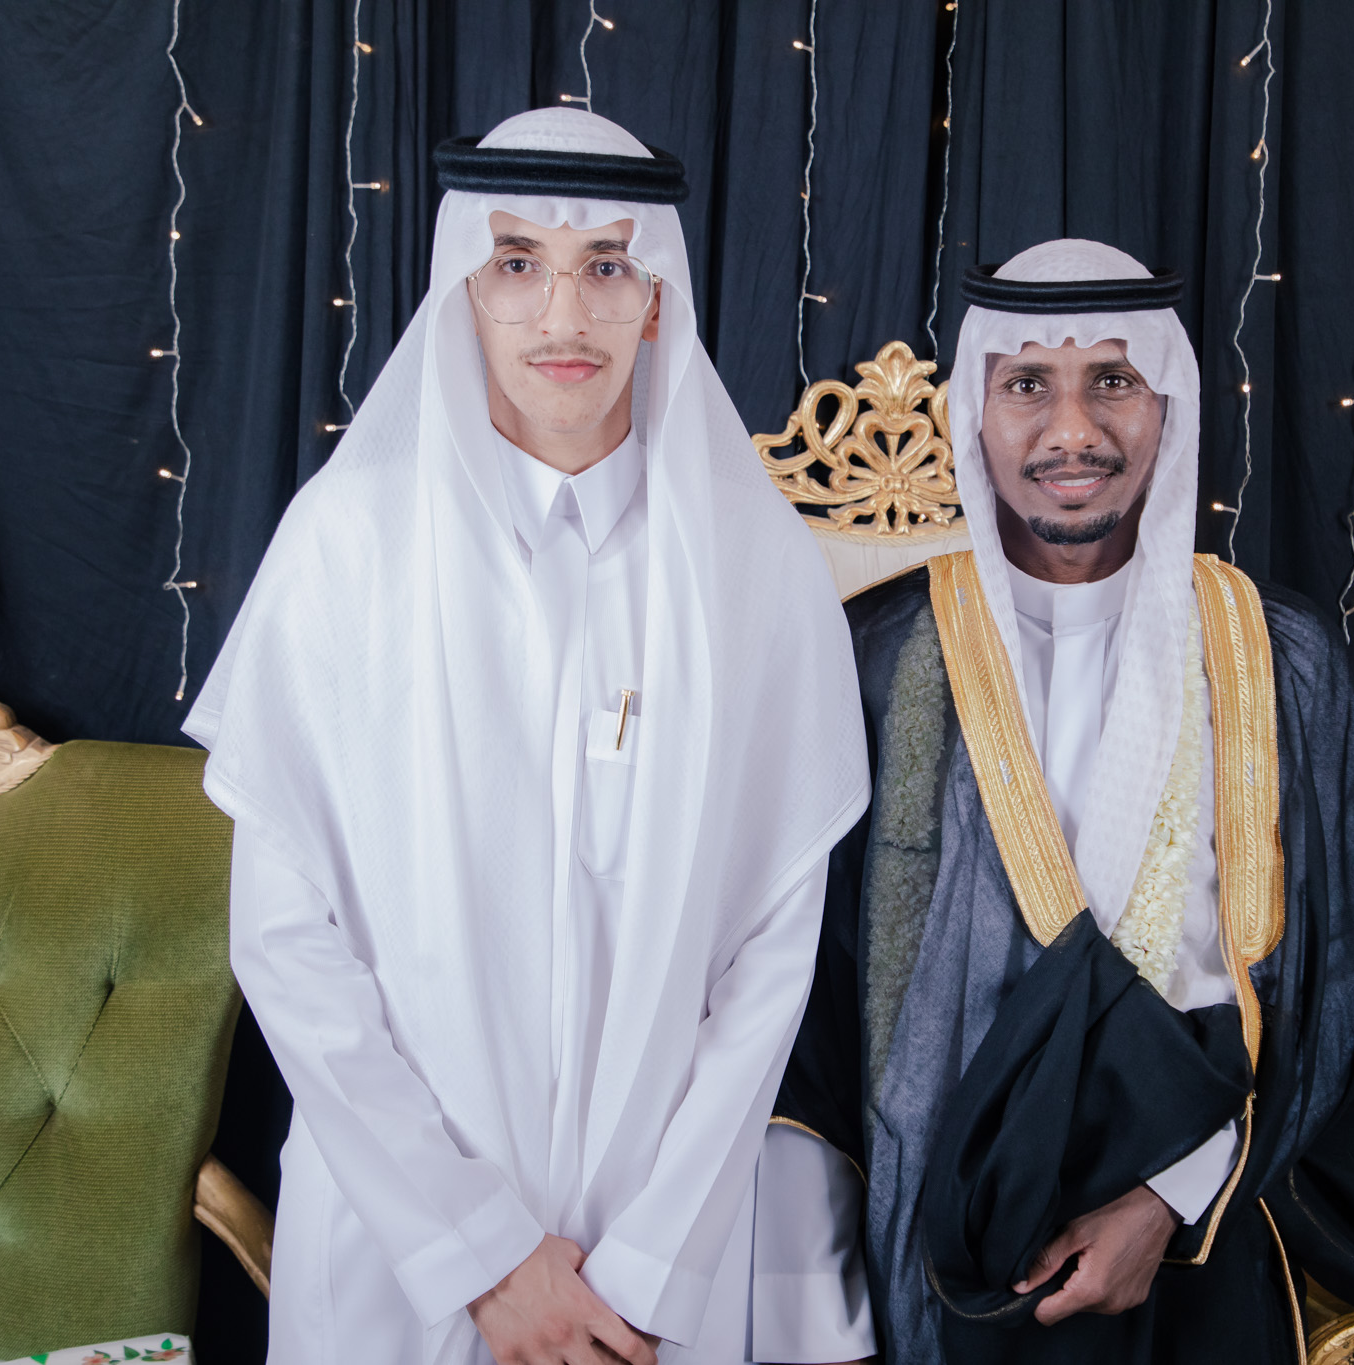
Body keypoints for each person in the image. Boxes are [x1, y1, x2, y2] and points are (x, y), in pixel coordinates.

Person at [183, 108, 868, 1364]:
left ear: (654, 301)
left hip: (652, 1280)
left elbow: (771, 962)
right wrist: (479, 1255)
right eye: (518, 264)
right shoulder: (347, 546)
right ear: (466, 289)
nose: (563, 317)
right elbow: (284, 942)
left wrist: (648, 1270)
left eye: (605, 266)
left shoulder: (753, 567)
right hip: (401, 1261)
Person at [770, 239, 1354, 1363]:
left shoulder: (1280, 662)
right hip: (931, 1248)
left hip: (1198, 1237)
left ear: (1166, 405)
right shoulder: (876, 660)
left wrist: (1169, 1199)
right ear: (975, 412)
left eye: (1112, 380)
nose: (1071, 429)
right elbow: (807, 1016)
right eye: (1028, 383)